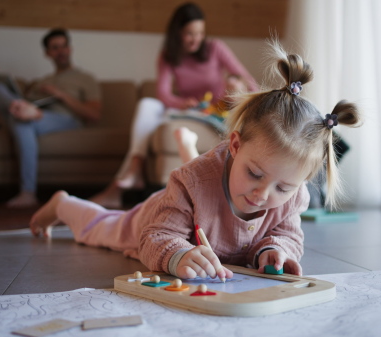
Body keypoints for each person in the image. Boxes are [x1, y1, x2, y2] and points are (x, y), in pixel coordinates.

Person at [29, 40, 362, 280]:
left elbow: (287, 234)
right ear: (234, 145)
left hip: (210, 230)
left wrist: (275, 251)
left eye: (284, 187)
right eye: (254, 173)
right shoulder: (192, 180)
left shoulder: (295, 197)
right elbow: (155, 237)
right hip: (153, 219)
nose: (263, 194)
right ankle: (63, 205)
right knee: (102, 228)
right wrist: (178, 255)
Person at [90, 2, 258, 209]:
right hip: (184, 110)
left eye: (200, 33)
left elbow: (246, 79)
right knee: (147, 104)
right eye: (189, 33)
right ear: (177, 33)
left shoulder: (215, 48)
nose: (196, 39)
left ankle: (117, 188)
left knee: (151, 108)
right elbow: (162, 94)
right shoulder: (168, 56)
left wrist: (249, 97)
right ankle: (135, 167)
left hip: (212, 111)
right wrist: (182, 102)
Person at [0, 28, 102, 208]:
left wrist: (60, 95)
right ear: (47, 53)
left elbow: (94, 114)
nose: (61, 51)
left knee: (21, 121)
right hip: (33, 113)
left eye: (64, 46)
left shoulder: (85, 78)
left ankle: (27, 192)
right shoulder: (42, 81)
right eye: (55, 47)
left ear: (70, 49)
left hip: (65, 119)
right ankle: (19, 108)